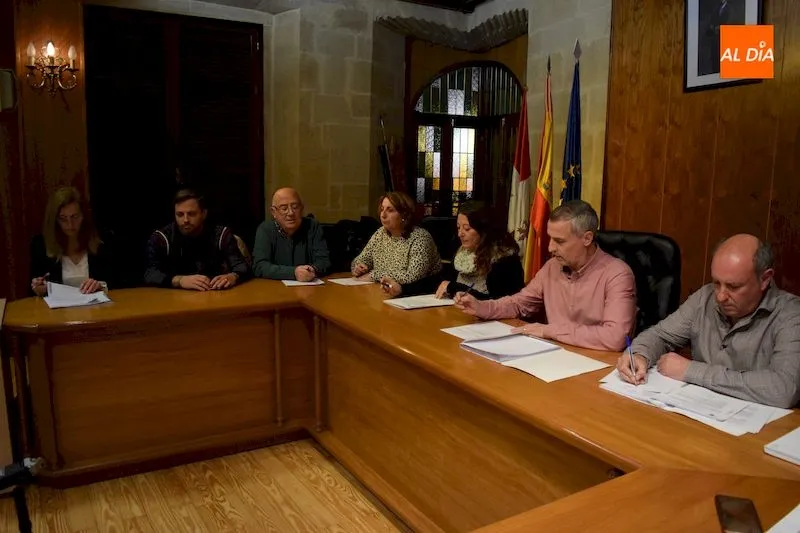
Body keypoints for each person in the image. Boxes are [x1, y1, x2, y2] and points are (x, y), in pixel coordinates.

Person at [617, 234, 800, 408]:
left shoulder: (791, 314)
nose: (720, 296)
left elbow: (784, 388)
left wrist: (692, 371)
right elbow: (660, 335)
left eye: (733, 286)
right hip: (697, 414)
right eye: (716, 283)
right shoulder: (704, 298)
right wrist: (640, 354)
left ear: (765, 279)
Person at [454, 200, 636, 351]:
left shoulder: (617, 274)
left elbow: (615, 337)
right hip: (552, 357)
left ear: (587, 239)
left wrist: (550, 331)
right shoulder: (552, 267)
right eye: (550, 239)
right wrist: (482, 307)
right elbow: (519, 303)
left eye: (559, 241)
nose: (550, 248)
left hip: (595, 364)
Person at [380, 202, 524, 299]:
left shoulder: (505, 260)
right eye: (458, 227)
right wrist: (402, 289)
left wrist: (455, 287)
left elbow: (500, 303)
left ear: (484, 230)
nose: (460, 233)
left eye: (467, 228)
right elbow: (439, 280)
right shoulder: (464, 253)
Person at [144, 189, 250, 291]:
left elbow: (242, 266)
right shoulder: (162, 238)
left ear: (203, 214)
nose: (185, 220)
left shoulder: (221, 234)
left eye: (191, 214)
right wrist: (180, 280)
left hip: (214, 295)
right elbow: (150, 274)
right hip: (174, 299)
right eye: (180, 214)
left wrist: (232, 276)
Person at [30, 186, 114, 296]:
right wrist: (39, 288)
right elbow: (33, 288)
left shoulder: (102, 242)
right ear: (55, 220)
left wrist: (101, 286)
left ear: (83, 216)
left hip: (98, 309)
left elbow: (119, 282)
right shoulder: (41, 245)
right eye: (63, 219)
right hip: (58, 311)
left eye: (75, 217)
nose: (70, 225)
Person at [351, 192, 441, 290]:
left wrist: (374, 275)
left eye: (390, 210)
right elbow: (361, 259)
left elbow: (412, 276)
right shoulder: (380, 233)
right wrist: (359, 267)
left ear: (404, 214)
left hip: (416, 295)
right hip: (383, 290)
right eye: (382, 209)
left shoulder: (420, 238)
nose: (383, 215)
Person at [252, 187, 331, 281]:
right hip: (275, 289)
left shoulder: (313, 226)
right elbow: (259, 266)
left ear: (301, 208)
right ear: (274, 212)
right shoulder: (265, 229)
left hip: (309, 288)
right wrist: (293, 272)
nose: (290, 213)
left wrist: (312, 270)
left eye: (295, 207)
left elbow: (324, 261)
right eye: (284, 208)